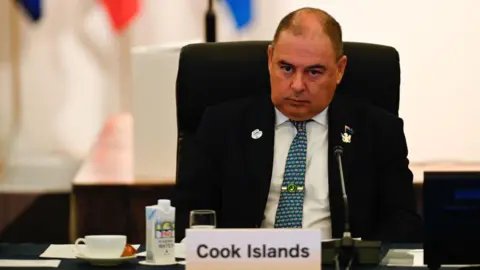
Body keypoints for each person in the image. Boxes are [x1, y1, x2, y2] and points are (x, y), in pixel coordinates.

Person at [174, 7, 422, 243]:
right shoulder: (222, 126)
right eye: (286, 68)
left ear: (339, 70)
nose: (297, 85)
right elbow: (188, 219)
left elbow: (402, 224)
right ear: (270, 59)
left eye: (314, 72)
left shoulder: (377, 131)